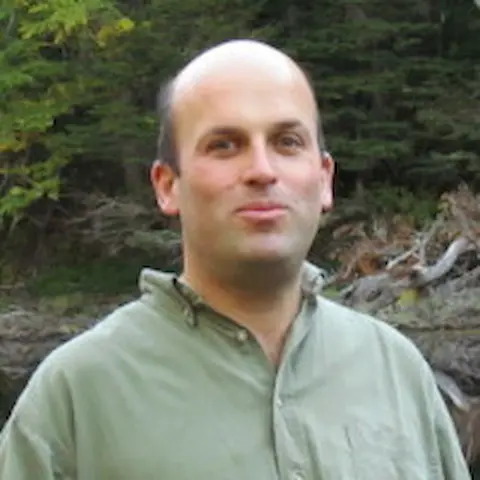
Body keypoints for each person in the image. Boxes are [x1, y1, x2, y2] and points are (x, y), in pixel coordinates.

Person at [0, 39, 470, 479]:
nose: (262, 170)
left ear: (324, 178)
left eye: (287, 142)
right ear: (168, 185)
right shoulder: (78, 395)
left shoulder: (395, 371)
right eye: (224, 145)